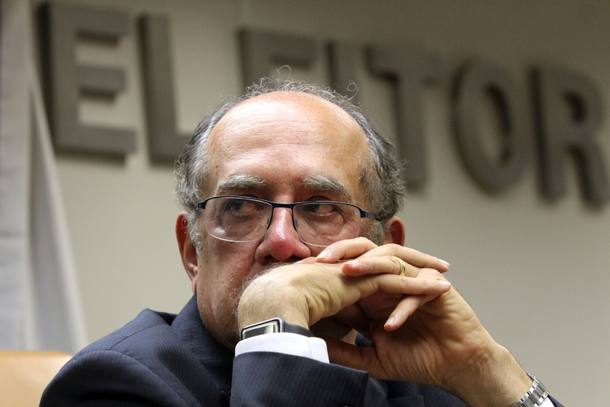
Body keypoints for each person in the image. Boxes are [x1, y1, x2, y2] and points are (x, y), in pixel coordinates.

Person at [41, 79, 561, 406]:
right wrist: (276, 331)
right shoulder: (114, 385)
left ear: (385, 246)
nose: (282, 242)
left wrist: (487, 372)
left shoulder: (425, 376)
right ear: (192, 252)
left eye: (320, 208)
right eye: (241, 206)